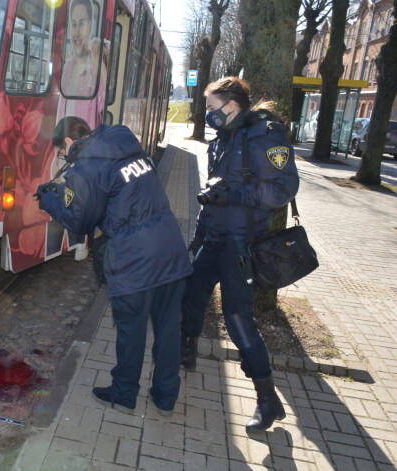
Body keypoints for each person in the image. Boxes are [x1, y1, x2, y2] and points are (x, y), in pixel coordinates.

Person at [35, 117, 192, 416]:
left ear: (67, 143)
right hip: (171, 251)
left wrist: (50, 200)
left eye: (59, 151)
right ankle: (166, 396)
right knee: (169, 330)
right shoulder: (131, 150)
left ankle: (123, 395)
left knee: (131, 332)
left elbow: (80, 221)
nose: (62, 157)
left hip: (134, 261)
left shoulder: (87, 167)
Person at [180, 77, 299, 432]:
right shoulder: (224, 137)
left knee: (238, 318)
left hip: (241, 245)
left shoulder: (266, 136)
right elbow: (211, 191)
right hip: (213, 237)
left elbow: (281, 189)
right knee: (191, 295)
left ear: (232, 105)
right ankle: (185, 354)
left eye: (213, 108)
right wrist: (198, 235)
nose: (209, 115)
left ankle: (268, 399)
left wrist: (234, 195)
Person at [57, 0, 107, 128]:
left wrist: (97, 60)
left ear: (91, 25)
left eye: (82, 24)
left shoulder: (95, 65)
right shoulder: (68, 67)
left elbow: (104, 105)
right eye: (73, 24)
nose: (76, 32)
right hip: (65, 145)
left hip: (85, 146)